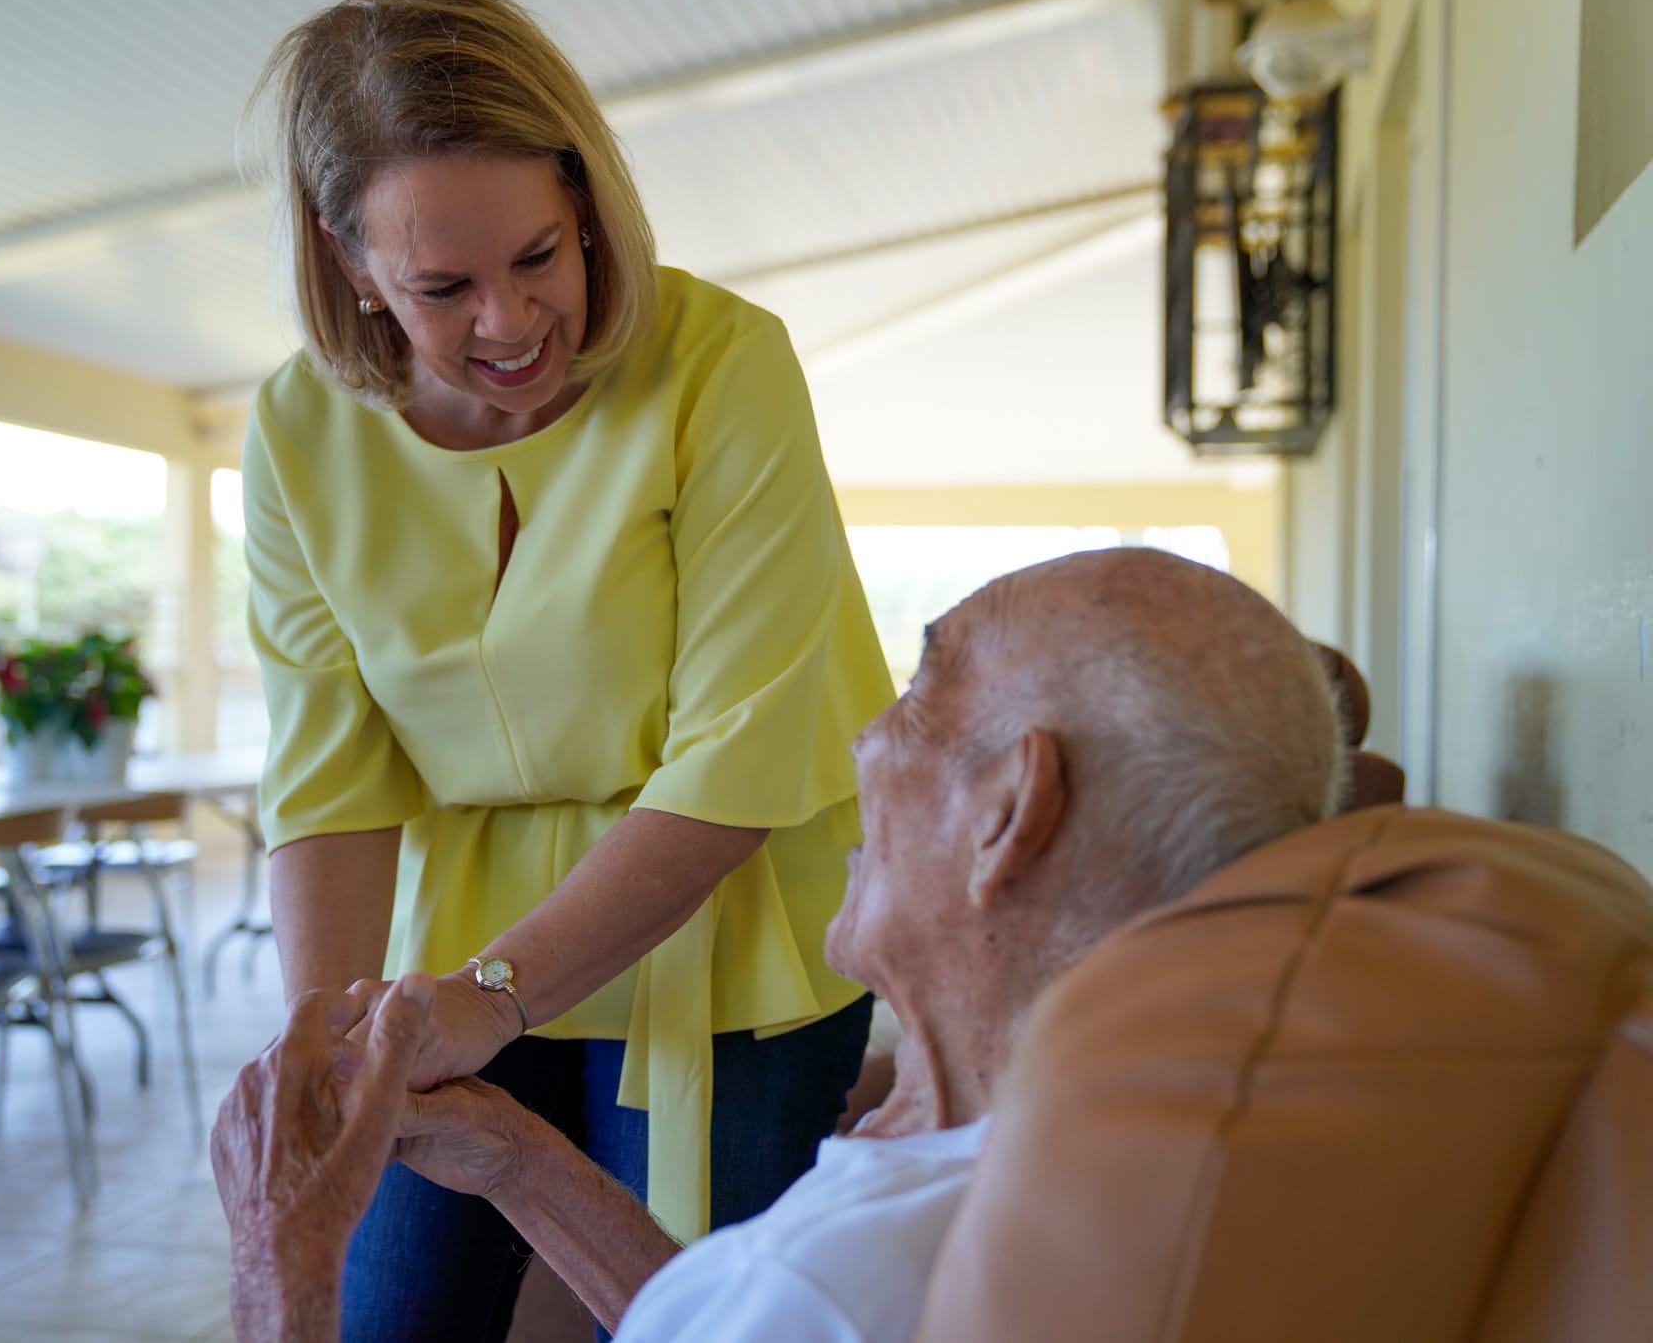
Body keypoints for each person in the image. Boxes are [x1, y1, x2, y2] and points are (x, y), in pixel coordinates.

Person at [212, 547, 1350, 1342]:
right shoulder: (1089, 1138)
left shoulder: (854, 1271)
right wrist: (520, 1162)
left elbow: (799, 1303)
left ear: (1005, 816)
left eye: (919, 697)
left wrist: (283, 1266)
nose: (857, 741)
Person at [236, 0, 893, 1336]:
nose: (510, 321)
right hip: (459, 937)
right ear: (348, 261)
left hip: (741, 918)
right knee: (397, 1310)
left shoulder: (725, 363)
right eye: (442, 286)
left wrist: (493, 997)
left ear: (588, 202)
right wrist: (329, 1050)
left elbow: (739, 750)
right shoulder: (297, 430)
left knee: (702, 1315)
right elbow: (331, 778)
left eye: (542, 253)